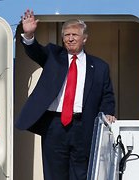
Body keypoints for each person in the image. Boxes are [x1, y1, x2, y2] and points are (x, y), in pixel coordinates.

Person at [15, 9, 116, 180]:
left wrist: (108, 114)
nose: (70, 38)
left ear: (84, 38)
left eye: (75, 35)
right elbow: (36, 51)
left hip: (84, 125)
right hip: (54, 125)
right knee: (54, 174)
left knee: (81, 174)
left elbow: (107, 95)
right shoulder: (53, 56)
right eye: (67, 35)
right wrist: (29, 35)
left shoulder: (100, 66)